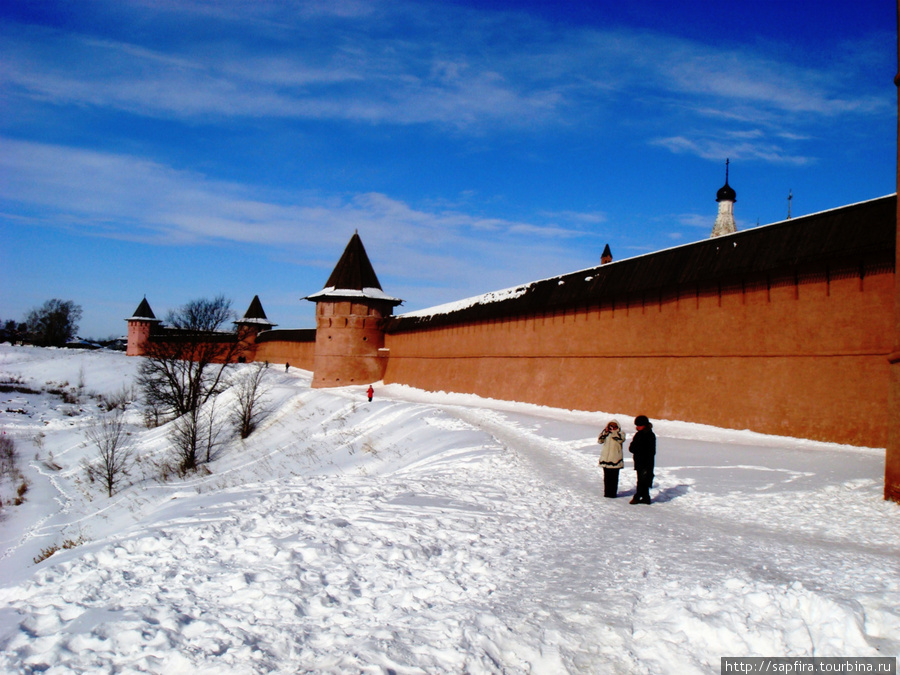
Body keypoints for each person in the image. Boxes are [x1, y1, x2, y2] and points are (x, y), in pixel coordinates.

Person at [629, 415, 656, 504]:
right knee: (642, 479)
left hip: (646, 462)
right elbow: (632, 448)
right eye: (637, 425)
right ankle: (646, 497)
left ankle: (637, 497)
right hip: (639, 461)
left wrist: (639, 450)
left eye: (639, 425)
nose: (637, 427)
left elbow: (651, 451)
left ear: (644, 425)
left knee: (643, 480)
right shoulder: (638, 435)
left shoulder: (650, 435)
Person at [597, 420, 625, 498]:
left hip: (615, 460)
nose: (611, 427)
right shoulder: (606, 434)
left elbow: (621, 439)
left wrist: (614, 432)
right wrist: (605, 432)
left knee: (614, 478)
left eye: (613, 426)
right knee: (607, 478)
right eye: (610, 426)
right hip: (605, 460)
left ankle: (612, 493)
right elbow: (600, 440)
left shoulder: (621, 433)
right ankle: (607, 493)